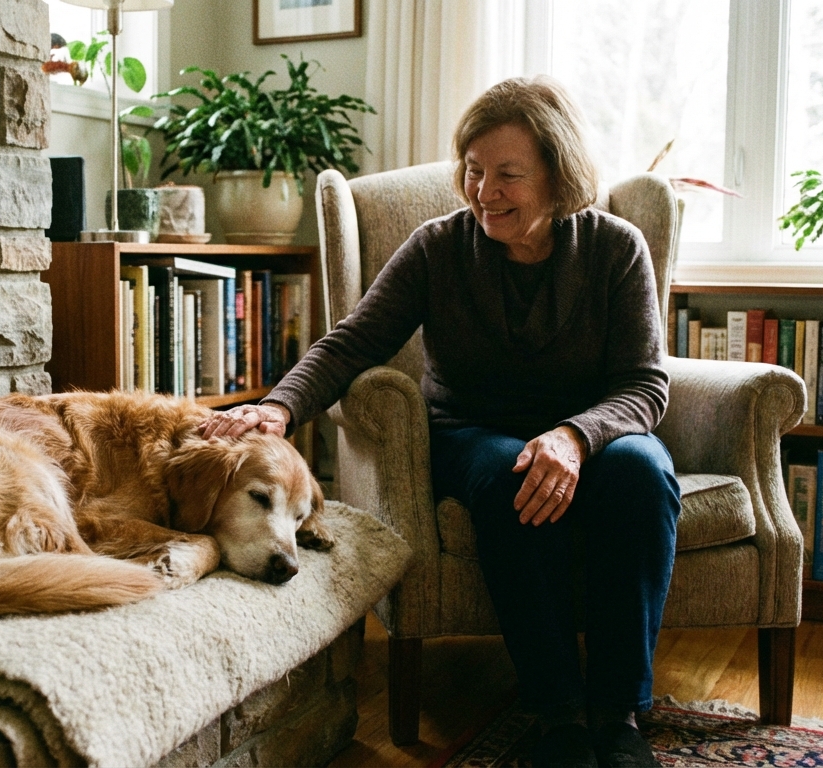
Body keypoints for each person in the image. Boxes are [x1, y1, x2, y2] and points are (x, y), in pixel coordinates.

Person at [199, 76, 680, 768]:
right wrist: (279, 405)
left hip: (591, 431)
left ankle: (619, 712)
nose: (484, 191)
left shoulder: (616, 248)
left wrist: (575, 436)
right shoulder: (438, 247)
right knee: (509, 480)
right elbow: (352, 342)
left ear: (558, 173)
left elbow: (643, 383)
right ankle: (560, 716)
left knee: (643, 472)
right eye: (474, 170)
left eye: (508, 175)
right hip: (472, 431)